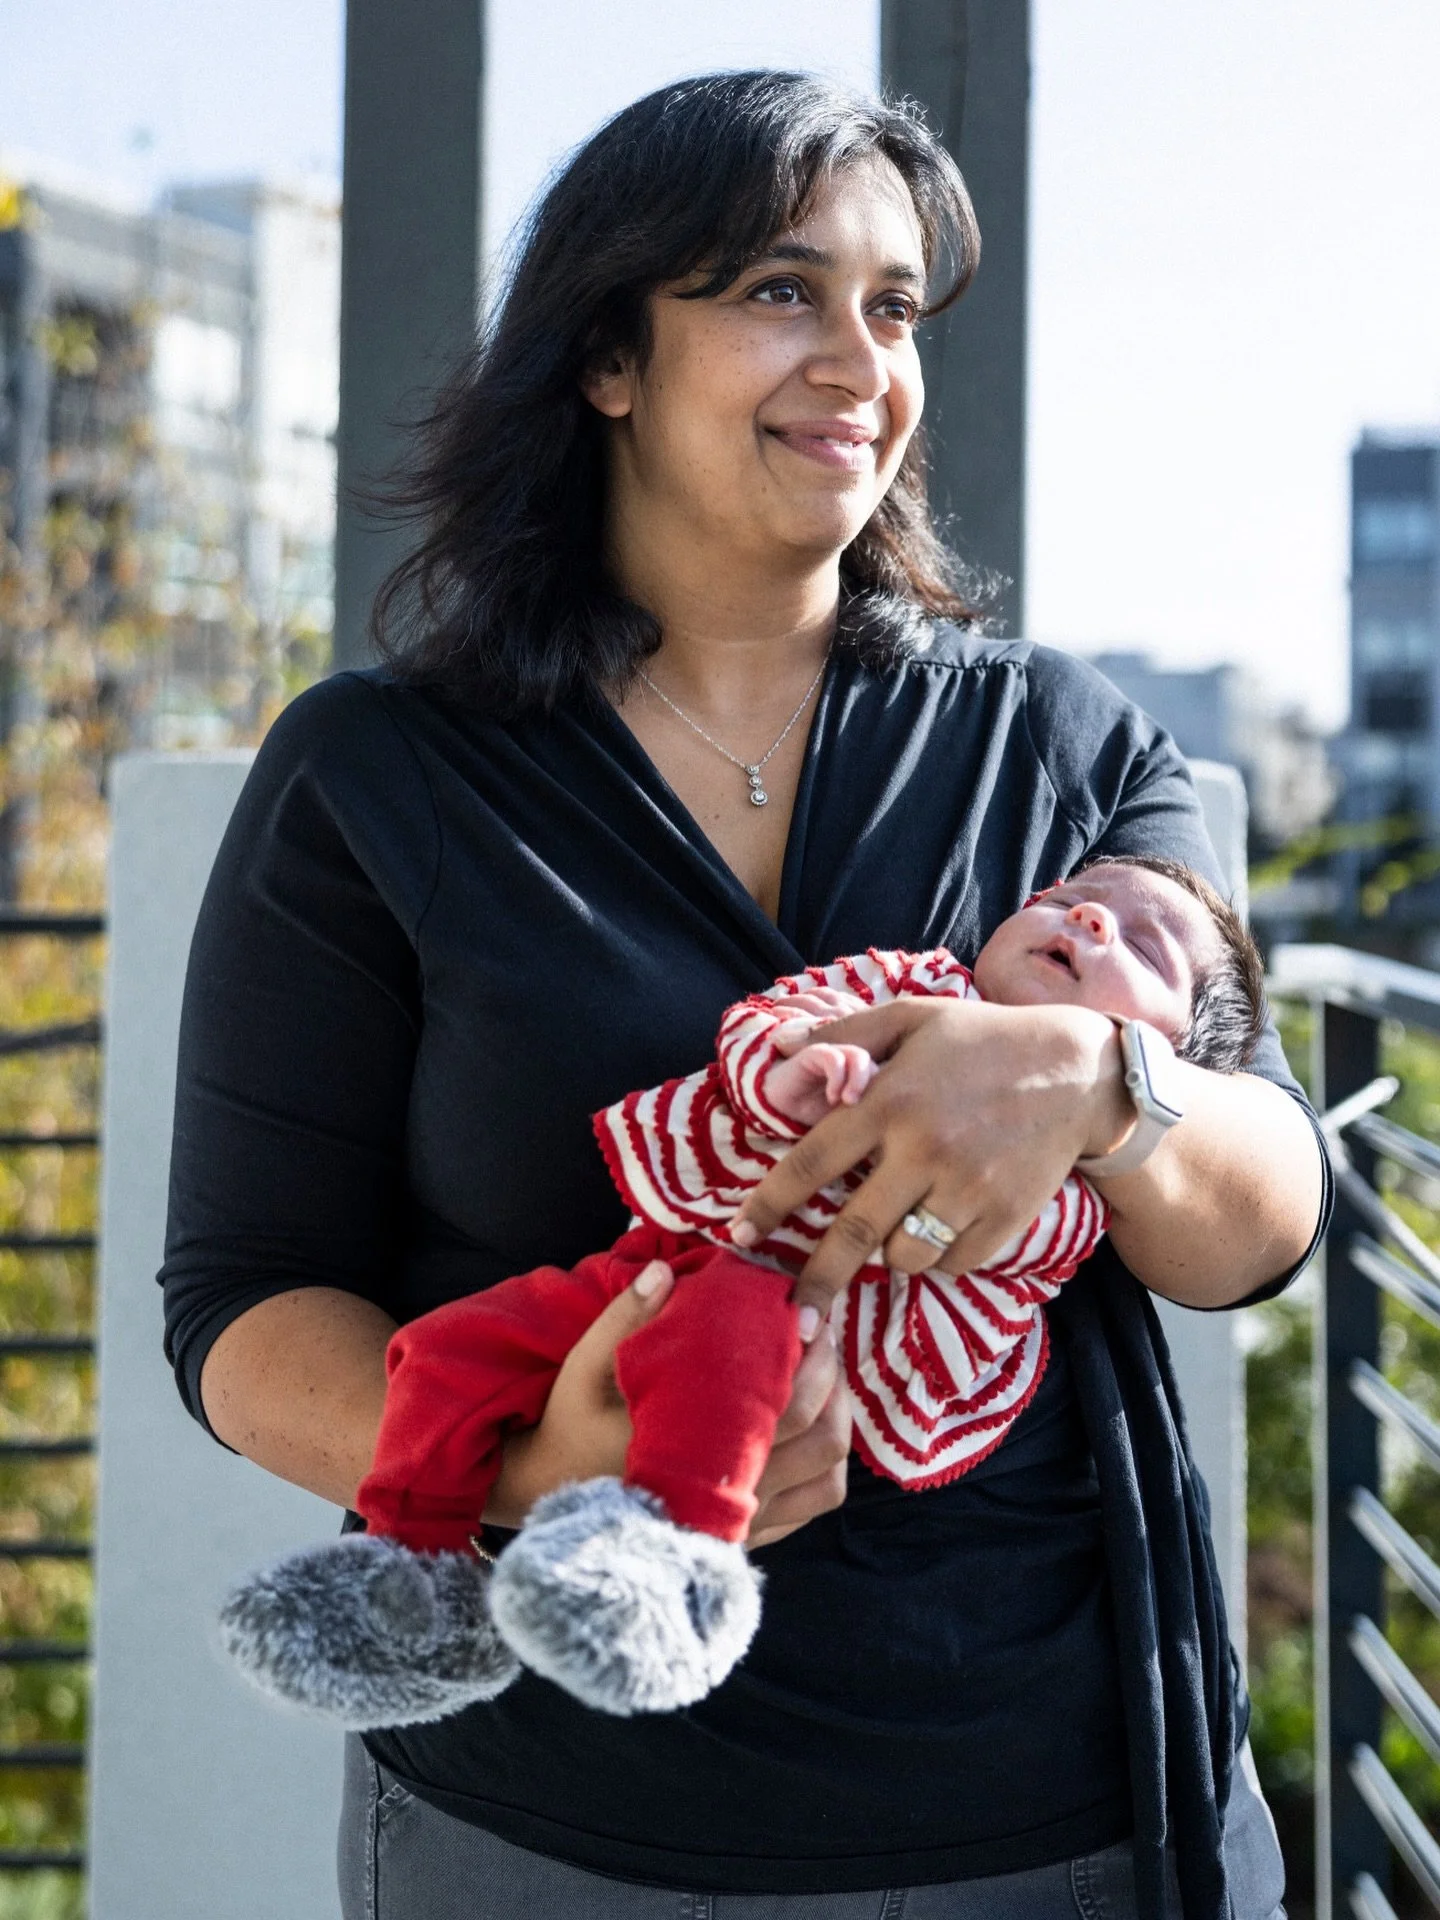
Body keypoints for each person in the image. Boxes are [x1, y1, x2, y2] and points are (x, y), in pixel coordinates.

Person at [161, 71, 1328, 1920]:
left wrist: (1110, 1088)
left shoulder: (1063, 746)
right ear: (609, 356)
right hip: (548, 1832)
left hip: (1061, 1815)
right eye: (781, 291)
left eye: (893, 306)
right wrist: (546, 1470)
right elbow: (239, 1309)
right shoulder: (376, 776)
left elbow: (1251, 1234)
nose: (860, 357)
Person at [219, 857, 1270, 1734]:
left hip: (788, 1315)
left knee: (725, 1345)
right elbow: (785, 1017)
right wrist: (792, 1070)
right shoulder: (910, 982)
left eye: (1145, 946)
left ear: (1178, 1055)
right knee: (452, 1350)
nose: (1090, 916)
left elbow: (1023, 1247)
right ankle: (411, 1575)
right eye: (1073, 894)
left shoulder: (1092, 1181)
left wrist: (1090, 1088)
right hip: (653, 1270)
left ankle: (670, 1562)